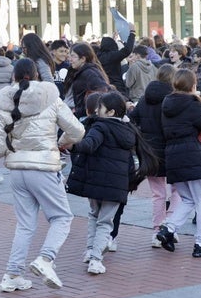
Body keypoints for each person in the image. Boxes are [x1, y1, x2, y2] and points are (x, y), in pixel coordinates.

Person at [0, 58, 84, 291]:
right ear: (36, 74)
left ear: (13, 77)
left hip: (17, 170)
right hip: (44, 167)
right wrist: (61, 144)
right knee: (62, 218)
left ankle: (12, 274)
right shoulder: (51, 97)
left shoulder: (6, 102)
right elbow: (77, 130)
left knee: (25, 225)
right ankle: (46, 259)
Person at [65, 91, 157, 274]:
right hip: (116, 185)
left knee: (94, 215)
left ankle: (92, 253)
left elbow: (89, 144)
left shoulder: (100, 127)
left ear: (111, 112)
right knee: (106, 221)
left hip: (95, 182)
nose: (97, 110)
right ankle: (95, 257)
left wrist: (73, 145)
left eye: (101, 107)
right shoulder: (128, 131)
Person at [129, 64, 181, 248]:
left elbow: (132, 118)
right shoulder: (174, 99)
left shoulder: (144, 99)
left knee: (158, 194)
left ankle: (157, 231)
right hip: (172, 150)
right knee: (178, 191)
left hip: (150, 151)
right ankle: (170, 227)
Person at [157, 69, 201, 257]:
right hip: (193, 155)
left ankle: (168, 228)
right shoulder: (193, 105)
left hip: (173, 156)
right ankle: (199, 243)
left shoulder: (167, 104)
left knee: (188, 199)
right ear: (192, 85)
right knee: (199, 200)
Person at [64, 43, 111, 118]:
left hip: (85, 117)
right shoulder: (79, 71)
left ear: (83, 59)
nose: (70, 59)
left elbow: (104, 90)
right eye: (70, 55)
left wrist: (81, 110)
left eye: (73, 56)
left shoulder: (89, 73)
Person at [96, 23, 136, 97]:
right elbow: (127, 50)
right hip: (116, 87)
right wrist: (132, 33)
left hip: (103, 86)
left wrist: (112, 39)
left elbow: (107, 45)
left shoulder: (98, 56)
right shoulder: (112, 56)